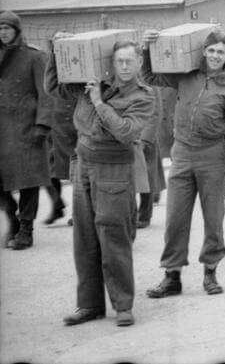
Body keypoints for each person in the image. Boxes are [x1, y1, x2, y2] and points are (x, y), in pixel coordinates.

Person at [45, 36, 156, 327]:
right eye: (118, 61)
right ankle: (89, 305)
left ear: (139, 62)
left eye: (129, 61)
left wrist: (97, 101)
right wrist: (56, 53)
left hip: (114, 170)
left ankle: (122, 306)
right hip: (82, 165)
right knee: (84, 239)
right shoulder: (93, 83)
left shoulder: (142, 96)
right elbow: (54, 87)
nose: (123, 66)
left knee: (113, 238)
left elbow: (125, 132)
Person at [143, 30, 225, 298]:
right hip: (182, 154)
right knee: (175, 219)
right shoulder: (185, 74)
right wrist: (147, 49)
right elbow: (149, 76)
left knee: (213, 219)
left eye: (221, 52)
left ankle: (210, 273)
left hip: (212, 157)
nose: (215, 56)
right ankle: (172, 276)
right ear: (204, 51)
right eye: (211, 50)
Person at [0, 10, 51, 250]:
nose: (3, 33)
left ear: (17, 31)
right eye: (0, 29)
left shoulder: (34, 57)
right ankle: (12, 215)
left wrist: (42, 125)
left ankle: (26, 230)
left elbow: (45, 93)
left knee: (29, 181)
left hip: (25, 128)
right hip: (2, 132)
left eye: (7, 28)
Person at [44, 95, 78, 225]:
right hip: (53, 122)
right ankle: (56, 204)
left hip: (71, 122)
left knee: (77, 170)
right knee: (47, 169)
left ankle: (78, 213)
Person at [135, 86, 166, 229]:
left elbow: (155, 112)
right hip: (126, 132)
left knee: (147, 176)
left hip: (145, 136)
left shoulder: (149, 84)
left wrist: (145, 139)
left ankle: (145, 214)